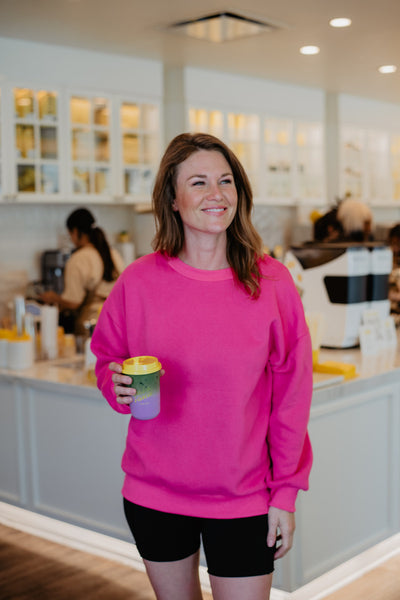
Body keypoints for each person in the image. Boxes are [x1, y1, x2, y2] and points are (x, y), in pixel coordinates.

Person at [91, 133, 313, 600]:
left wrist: (285, 493)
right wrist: (118, 388)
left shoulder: (271, 281)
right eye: (199, 182)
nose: (217, 194)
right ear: (173, 199)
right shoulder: (138, 281)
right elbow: (108, 358)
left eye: (226, 181)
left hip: (245, 497)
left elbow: (292, 397)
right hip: (154, 494)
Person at [40, 208, 124, 336]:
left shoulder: (78, 259)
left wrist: (53, 298)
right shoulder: (114, 254)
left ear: (75, 231)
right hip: (119, 322)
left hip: (93, 326)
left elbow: (73, 303)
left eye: (70, 234)